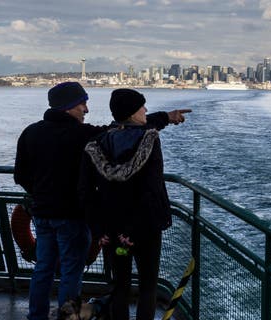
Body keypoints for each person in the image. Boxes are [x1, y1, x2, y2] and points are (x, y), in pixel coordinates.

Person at [14, 82, 190, 320]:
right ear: (68, 107)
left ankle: (37, 316)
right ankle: (68, 319)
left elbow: (21, 176)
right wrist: (166, 117)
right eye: (82, 103)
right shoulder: (84, 135)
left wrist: (42, 195)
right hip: (75, 217)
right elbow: (125, 130)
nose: (86, 109)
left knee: (43, 269)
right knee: (72, 272)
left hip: (45, 215)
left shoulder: (30, 132)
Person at [78, 88, 185, 320]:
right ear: (132, 113)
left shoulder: (96, 144)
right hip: (144, 229)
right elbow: (152, 190)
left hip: (111, 232)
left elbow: (85, 193)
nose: (145, 110)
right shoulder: (149, 140)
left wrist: (99, 231)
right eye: (141, 107)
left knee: (120, 286)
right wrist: (133, 231)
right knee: (148, 287)